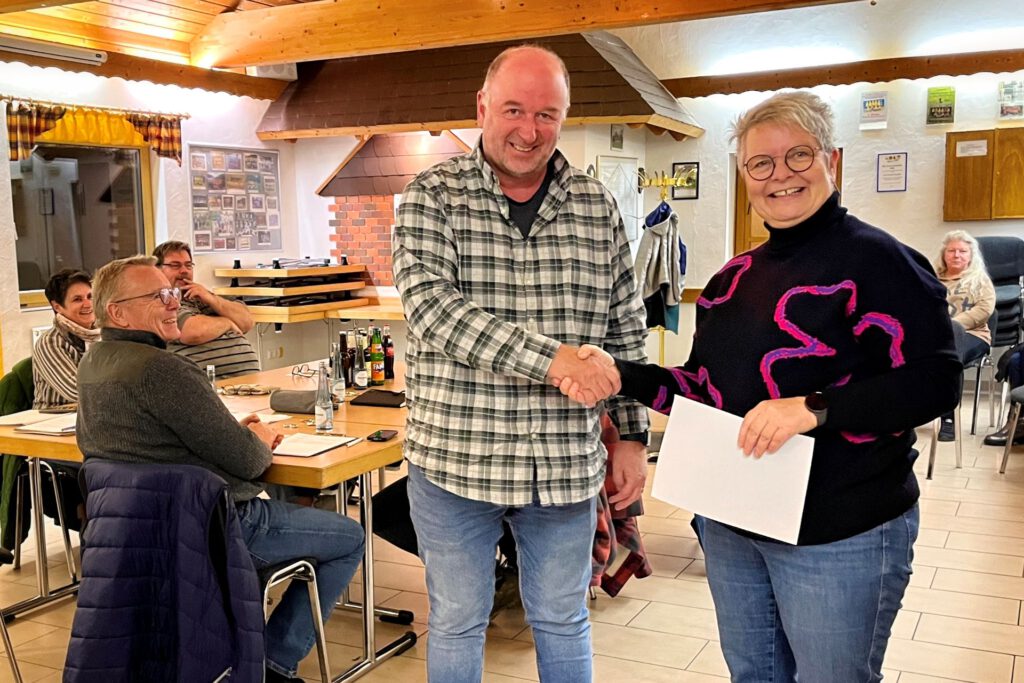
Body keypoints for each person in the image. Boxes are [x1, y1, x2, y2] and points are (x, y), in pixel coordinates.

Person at [559, 91, 961, 682]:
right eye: (761, 163)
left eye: (798, 156)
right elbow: (701, 390)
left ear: (832, 160)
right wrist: (621, 374)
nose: (781, 175)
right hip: (734, 525)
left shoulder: (881, 263)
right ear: (746, 176)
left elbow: (935, 382)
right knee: (755, 676)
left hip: (840, 529)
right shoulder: (730, 282)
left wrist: (815, 408)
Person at [392, 45, 650, 682]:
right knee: (457, 621)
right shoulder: (431, 196)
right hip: (456, 459)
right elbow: (434, 311)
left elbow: (625, 326)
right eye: (513, 109)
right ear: (482, 108)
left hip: (563, 460)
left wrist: (634, 437)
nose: (529, 131)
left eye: (547, 115)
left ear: (565, 118)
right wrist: (555, 359)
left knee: (562, 619)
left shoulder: (596, 205)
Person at [76, 255, 365, 683]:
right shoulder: (164, 369)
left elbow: (142, 445)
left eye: (172, 293)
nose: (174, 303)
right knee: (349, 536)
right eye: (158, 296)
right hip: (215, 527)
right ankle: (276, 662)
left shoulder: (94, 363)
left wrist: (230, 435)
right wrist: (258, 440)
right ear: (117, 311)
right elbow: (249, 462)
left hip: (139, 536)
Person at [152, 240, 260, 378]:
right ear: (157, 269)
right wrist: (227, 323)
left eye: (188, 265)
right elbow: (192, 332)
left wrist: (209, 297)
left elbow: (247, 321)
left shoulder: (205, 296)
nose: (184, 270)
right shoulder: (162, 302)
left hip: (249, 383)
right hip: (208, 387)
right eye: (175, 265)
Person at [934, 230, 995, 440]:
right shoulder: (932, 279)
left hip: (973, 335)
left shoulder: (980, 280)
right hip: (937, 336)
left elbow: (984, 310)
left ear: (971, 255)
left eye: (962, 251)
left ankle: (948, 418)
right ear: (944, 254)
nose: (956, 255)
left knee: (950, 353)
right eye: (951, 250)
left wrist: (951, 325)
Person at [32, 269, 100, 409]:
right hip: (55, 420)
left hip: (96, 415)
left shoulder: (105, 333)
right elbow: (77, 391)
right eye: (77, 299)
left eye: (90, 296)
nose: (88, 304)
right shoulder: (50, 343)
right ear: (57, 307)